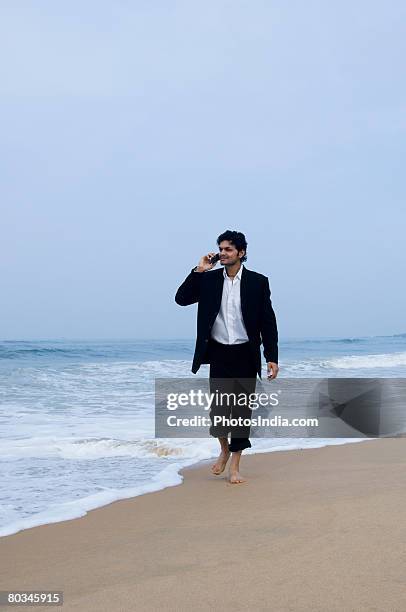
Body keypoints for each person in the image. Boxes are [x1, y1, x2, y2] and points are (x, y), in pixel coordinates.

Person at [175, 230, 279, 484]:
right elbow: (181, 299)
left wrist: (272, 357)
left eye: (228, 249)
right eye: (220, 248)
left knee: (242, 413)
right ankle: (223, 448)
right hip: (219, 352)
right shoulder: (209, 281)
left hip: (246, 353)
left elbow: (268, 321)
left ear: (241, 253)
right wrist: (199, 270)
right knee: (219, 411)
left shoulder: (258, 282)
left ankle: (235, 466)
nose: (222, 253)